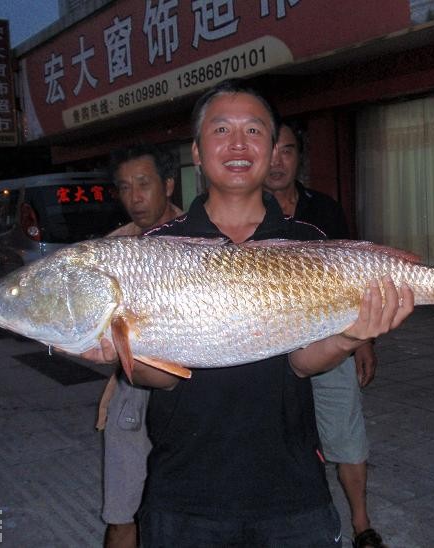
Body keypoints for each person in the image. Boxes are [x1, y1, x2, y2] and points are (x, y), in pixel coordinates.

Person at [85, 79, 414, 547]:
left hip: (292, 490)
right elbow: (165, 377)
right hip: (184, 492)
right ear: (197, 152)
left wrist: (350, 337)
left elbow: (302, 363)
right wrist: (121, 355)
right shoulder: (153, 251)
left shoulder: (308, 244)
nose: (238, 144)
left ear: (274, 149)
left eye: (254, 131)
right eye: (221, 130)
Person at [265, 121, 387, 548]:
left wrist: (364, 341)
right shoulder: (246, 216)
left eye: (288, 151)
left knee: (346, 430)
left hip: (330, 338)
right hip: (265, 346)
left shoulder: (325, 209)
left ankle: (361, 524)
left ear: (301, 157)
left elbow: (357, 276)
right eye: (271, 150)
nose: (278, 161)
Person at [96, 143, 182, 548]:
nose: (134, 197)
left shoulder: (204, 237)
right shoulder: (113, 250)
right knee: (122, 509)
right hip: (134, 388)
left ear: (168, 184)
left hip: (194, 385)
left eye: (143, 184)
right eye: (125, 187)